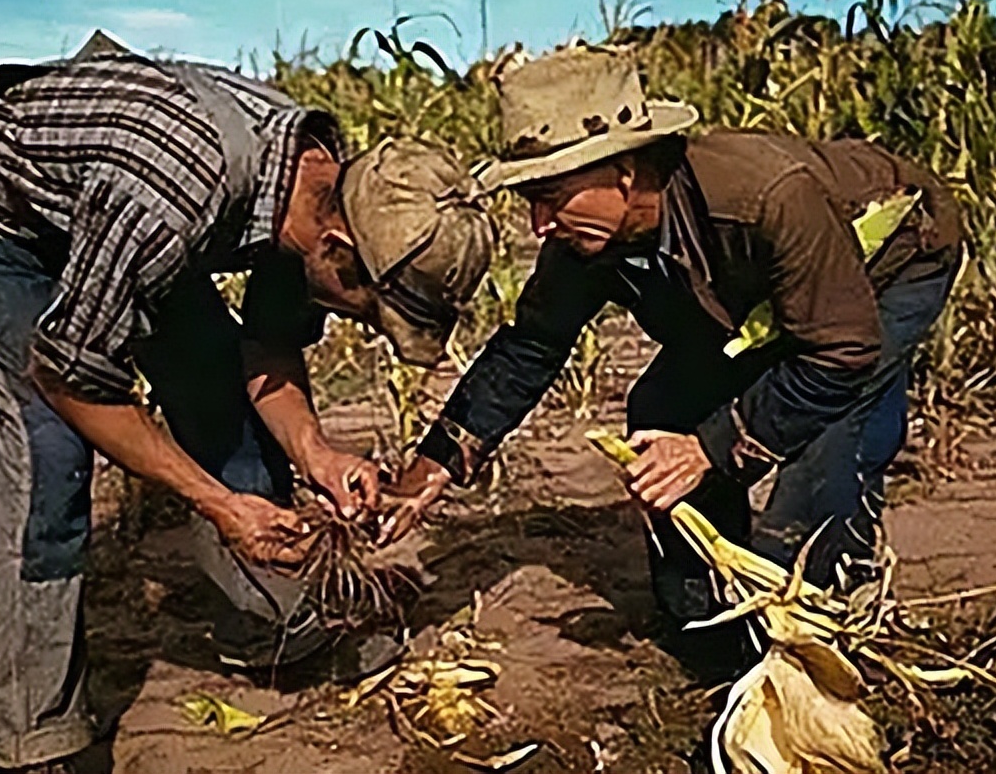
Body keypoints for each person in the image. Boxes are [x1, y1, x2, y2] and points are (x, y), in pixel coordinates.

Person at [0, 30, 494, 774]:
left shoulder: (324, 190)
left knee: (211, 377)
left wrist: (317, 451)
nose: (353, 320)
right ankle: (35, 734)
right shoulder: (177, 188)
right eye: (363, 308)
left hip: (118, 212)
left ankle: (262, 622)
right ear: (337, 248)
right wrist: (216, 502)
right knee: (44, 449)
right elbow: (68, 374)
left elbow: (265, 351)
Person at [379, 45, 962, 681]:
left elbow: (839, 352)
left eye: (550, 196)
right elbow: (530, 346)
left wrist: (710, 448)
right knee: (661, 412)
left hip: (892, 261)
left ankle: (827, 625)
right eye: (529, 201)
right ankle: (706, 622)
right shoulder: (582, 241)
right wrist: (440, 459)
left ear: (624, 172)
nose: (538, 224)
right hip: (752, 301)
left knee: (825, 445)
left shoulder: (765, 199)